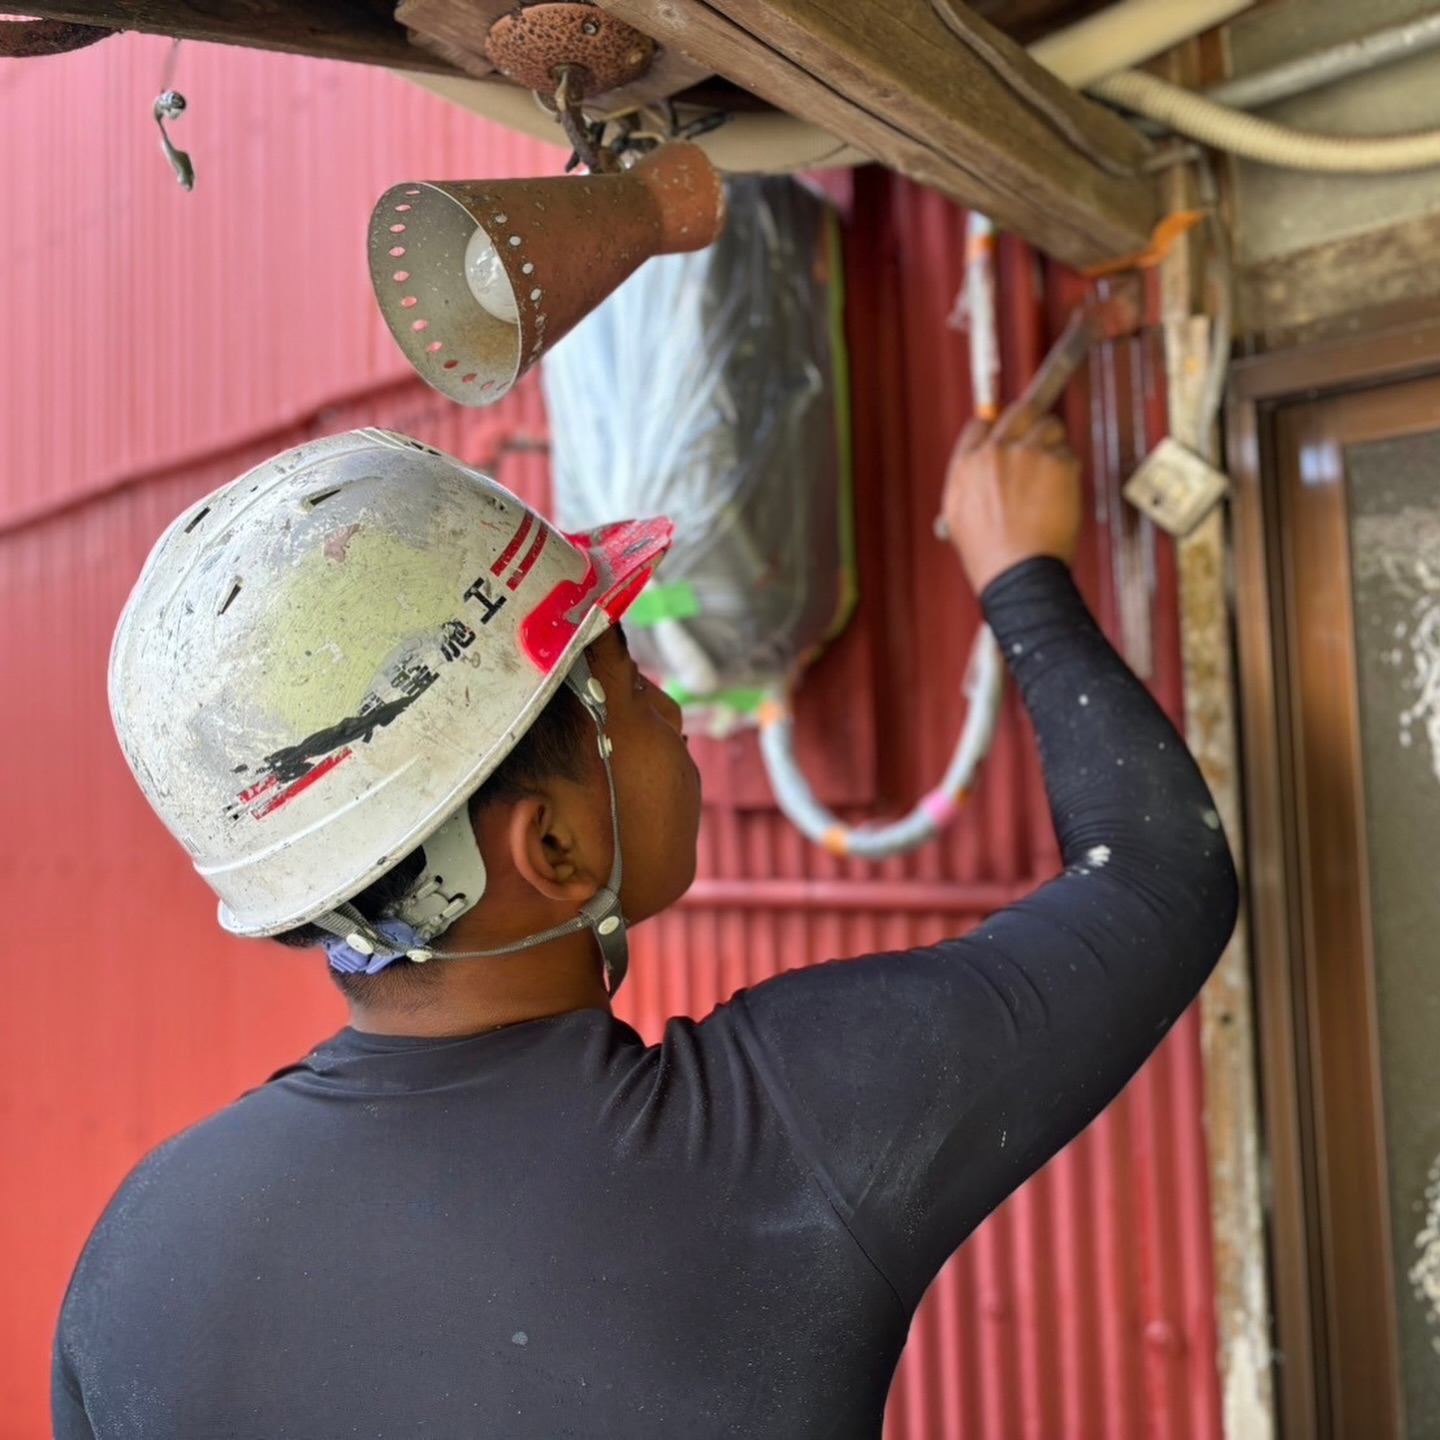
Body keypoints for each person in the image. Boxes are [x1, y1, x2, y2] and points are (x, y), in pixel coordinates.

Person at [54, 407, 1237, 1439]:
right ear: (552, 848)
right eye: (626, 681)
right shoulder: (771, 1140)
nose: (674, 714)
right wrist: (1021, 574)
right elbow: (1159, 878)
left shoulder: (133, 1255)